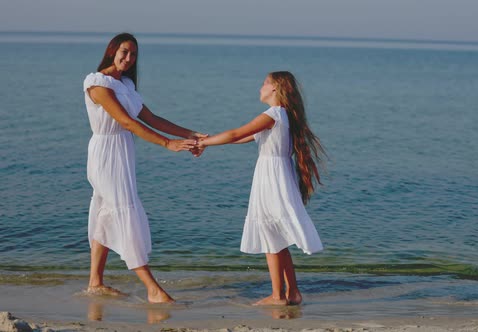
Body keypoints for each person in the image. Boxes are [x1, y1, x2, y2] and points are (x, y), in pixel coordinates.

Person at [83, 32, 205, 303]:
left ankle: (95, 283)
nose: (128, 58)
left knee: (106, 213)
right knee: (122, 213)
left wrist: (190, 134)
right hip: (105, 155)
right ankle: (153, 289)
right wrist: (167, 144)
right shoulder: (96, 82)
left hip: (122, 154)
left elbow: (150, 117)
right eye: (124, 51)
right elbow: (126, 122)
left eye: (134, 54)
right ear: (112, 50)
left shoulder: (125, 84)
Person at [194, 71, 325, 306]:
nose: (260, 87)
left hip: (271, 178)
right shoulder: (283, 115)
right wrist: (207, 140)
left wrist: (203, 142)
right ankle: (292, 293)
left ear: (275, 88)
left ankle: (277, 296)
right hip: (277, 176)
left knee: (271, 235)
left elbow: (236, 133)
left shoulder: (272, 115)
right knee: (277, 236)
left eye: (264, 83)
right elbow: (237, 139)